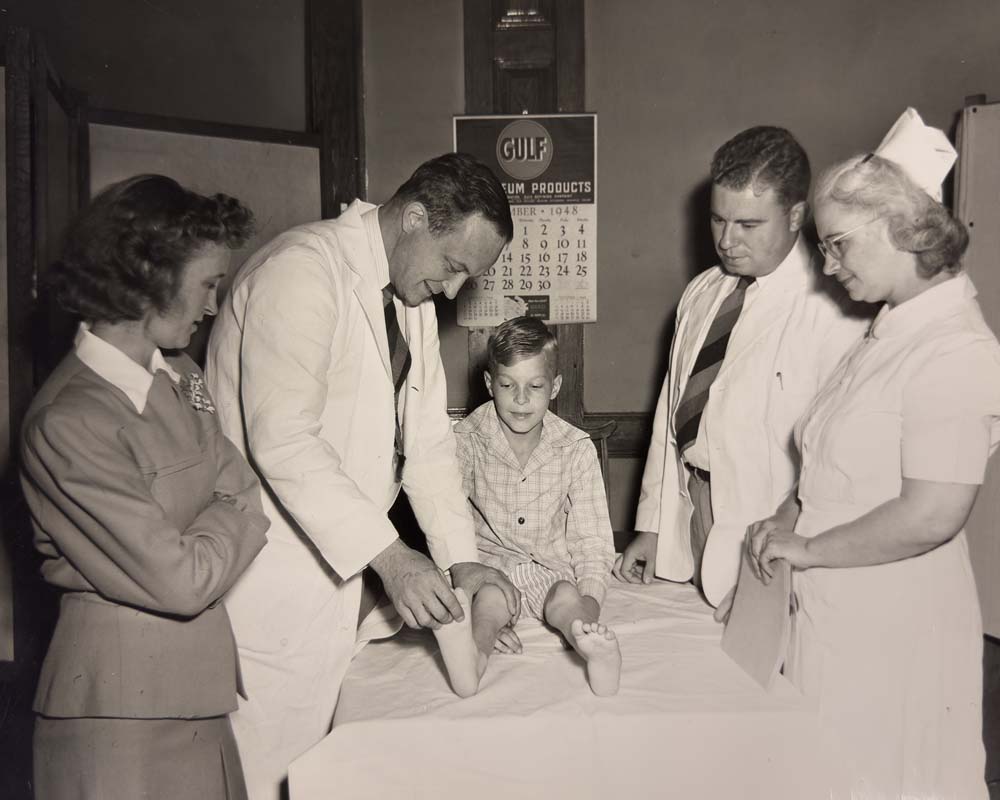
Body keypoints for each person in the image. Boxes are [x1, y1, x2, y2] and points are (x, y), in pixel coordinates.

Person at [205, 152, 521, 798]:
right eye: (454, 266)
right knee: (265, 770)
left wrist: (460, 560)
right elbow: (284, 441)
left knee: (325, 767)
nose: (457, 290)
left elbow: (429, 445)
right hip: (272, 581)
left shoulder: (408, 300)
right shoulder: (301, 273)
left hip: (339, 582)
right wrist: (392, 557)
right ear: (412, 219)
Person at [747, 108, 998, 799]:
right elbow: (833, 458)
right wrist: (789, 514)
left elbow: (932, 514)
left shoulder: (956, 349)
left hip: (896, 623)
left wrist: (809, 548)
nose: (827, 269)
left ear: (902, 227)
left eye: (838, 246)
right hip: (839, 610)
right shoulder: (887, 331)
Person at [18, 174, 270, 800]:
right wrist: (226, 515)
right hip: (115, 718)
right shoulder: (69, 420)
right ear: (151, 277)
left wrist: (220, 517)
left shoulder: (180, 374)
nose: (214, 306)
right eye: (208, 284)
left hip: (202, 701)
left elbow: (245, 490)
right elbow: (183, 581)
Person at [614, 126, 870, 608]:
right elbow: (672, 414)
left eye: (748, 225)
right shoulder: (702, 292)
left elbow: (840, 458)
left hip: (769, 527)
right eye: (717, 220)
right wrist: (651, 525)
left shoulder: (834, 309)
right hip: (692, 514)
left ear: (795, 215)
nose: (727, 241)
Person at [453, 317, 620, 696]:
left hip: (550, 571)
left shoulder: (575, 448)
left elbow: (593, 540)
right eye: (508, 385)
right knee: (490, 603)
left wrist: (589, 604)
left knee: (566, 596)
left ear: (556, 386)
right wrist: (469, 590)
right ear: (488, 384)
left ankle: (590, 647)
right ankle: (474, 656)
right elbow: (449, 525)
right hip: (490, 571)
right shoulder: (465, 441)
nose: (521, 399)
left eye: (535, 386)